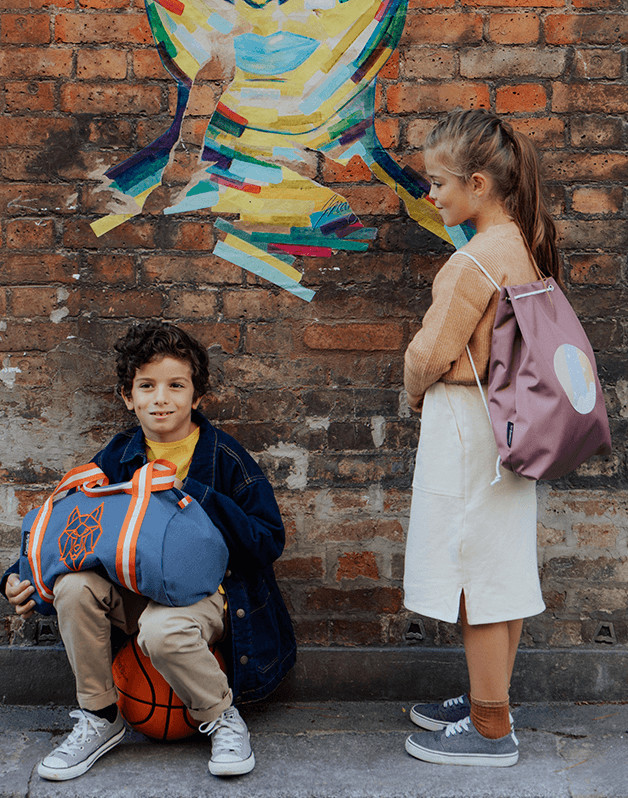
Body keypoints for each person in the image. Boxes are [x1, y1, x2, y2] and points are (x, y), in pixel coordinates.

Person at [2, 320, 295, 780]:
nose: (162, 397)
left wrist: (194, 494)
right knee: (75, 585)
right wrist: (18, 575)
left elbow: (267, 540)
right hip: (137, 593)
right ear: (128, 396)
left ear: (196, 397)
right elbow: (73, 527)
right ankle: (100, 716)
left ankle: (221, 715)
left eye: (176, 385)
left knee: (163, 629)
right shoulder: (117, 457)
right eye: (147, 385)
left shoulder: (226, 457)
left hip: (209, 600)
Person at [402, 109, 561, 767]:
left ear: (477, 183)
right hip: (508, 425)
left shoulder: (474, 259)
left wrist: (412, 386)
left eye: (439, 183)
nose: (432, 196)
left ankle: (491, 727)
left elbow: (430, 353)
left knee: (476, 571)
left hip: (471, 429)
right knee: (498, 565)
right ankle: (485, 697)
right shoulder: (518, 242)